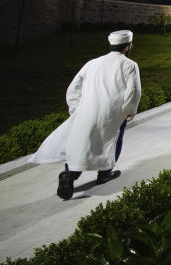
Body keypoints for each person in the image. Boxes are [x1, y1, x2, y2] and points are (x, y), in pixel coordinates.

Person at [32, 29, 141, 200]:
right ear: (127, 47)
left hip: (87, 110)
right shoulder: (129, 65)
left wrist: (76, 108)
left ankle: (69, 177)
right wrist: (129, 110)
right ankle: (105, 173)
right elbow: (133, 91)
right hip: (112, 113)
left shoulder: (92, 63)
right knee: (111, 142)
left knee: (82, 144)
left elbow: (73, 88)